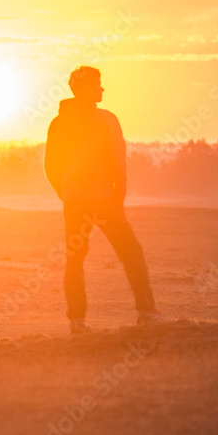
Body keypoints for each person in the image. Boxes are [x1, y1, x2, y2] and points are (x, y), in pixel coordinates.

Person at [44, 66, 163, 334]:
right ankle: (146, 313)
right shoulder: (107, 119)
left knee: (74, 260)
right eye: (98, 84)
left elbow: (51, 165)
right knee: (132, 253)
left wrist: (66, 192)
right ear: (84, 88)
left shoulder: (59, 122)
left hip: (74, 203)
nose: (102, 88)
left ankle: (77, 322)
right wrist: (117, 197)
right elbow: (118, 163)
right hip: (104, 200)